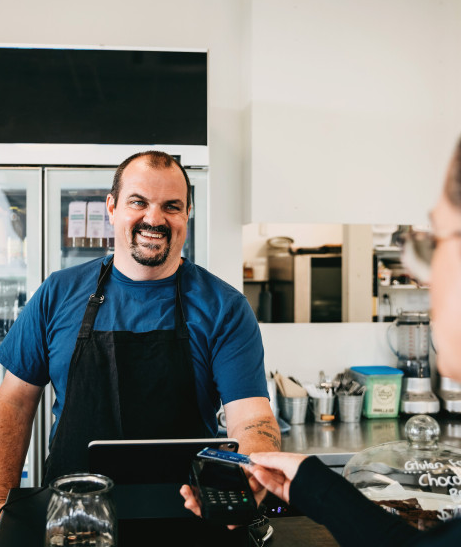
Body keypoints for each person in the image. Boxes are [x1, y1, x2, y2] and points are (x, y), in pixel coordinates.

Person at [184, 138, 461, 544]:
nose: (422, 276)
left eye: (432, 243)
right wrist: (316, 487)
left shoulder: (224, 305)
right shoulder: (59, 292)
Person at [0, 151, 280, 530]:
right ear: (112, 207)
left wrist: (253, 469)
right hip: (73, 520)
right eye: (138, 202)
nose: (154, 219)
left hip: (189, 520)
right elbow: (14, 400)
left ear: (187, 214)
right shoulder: (58, 293)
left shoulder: (225, 307)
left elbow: (252, 417)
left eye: (171, 206)